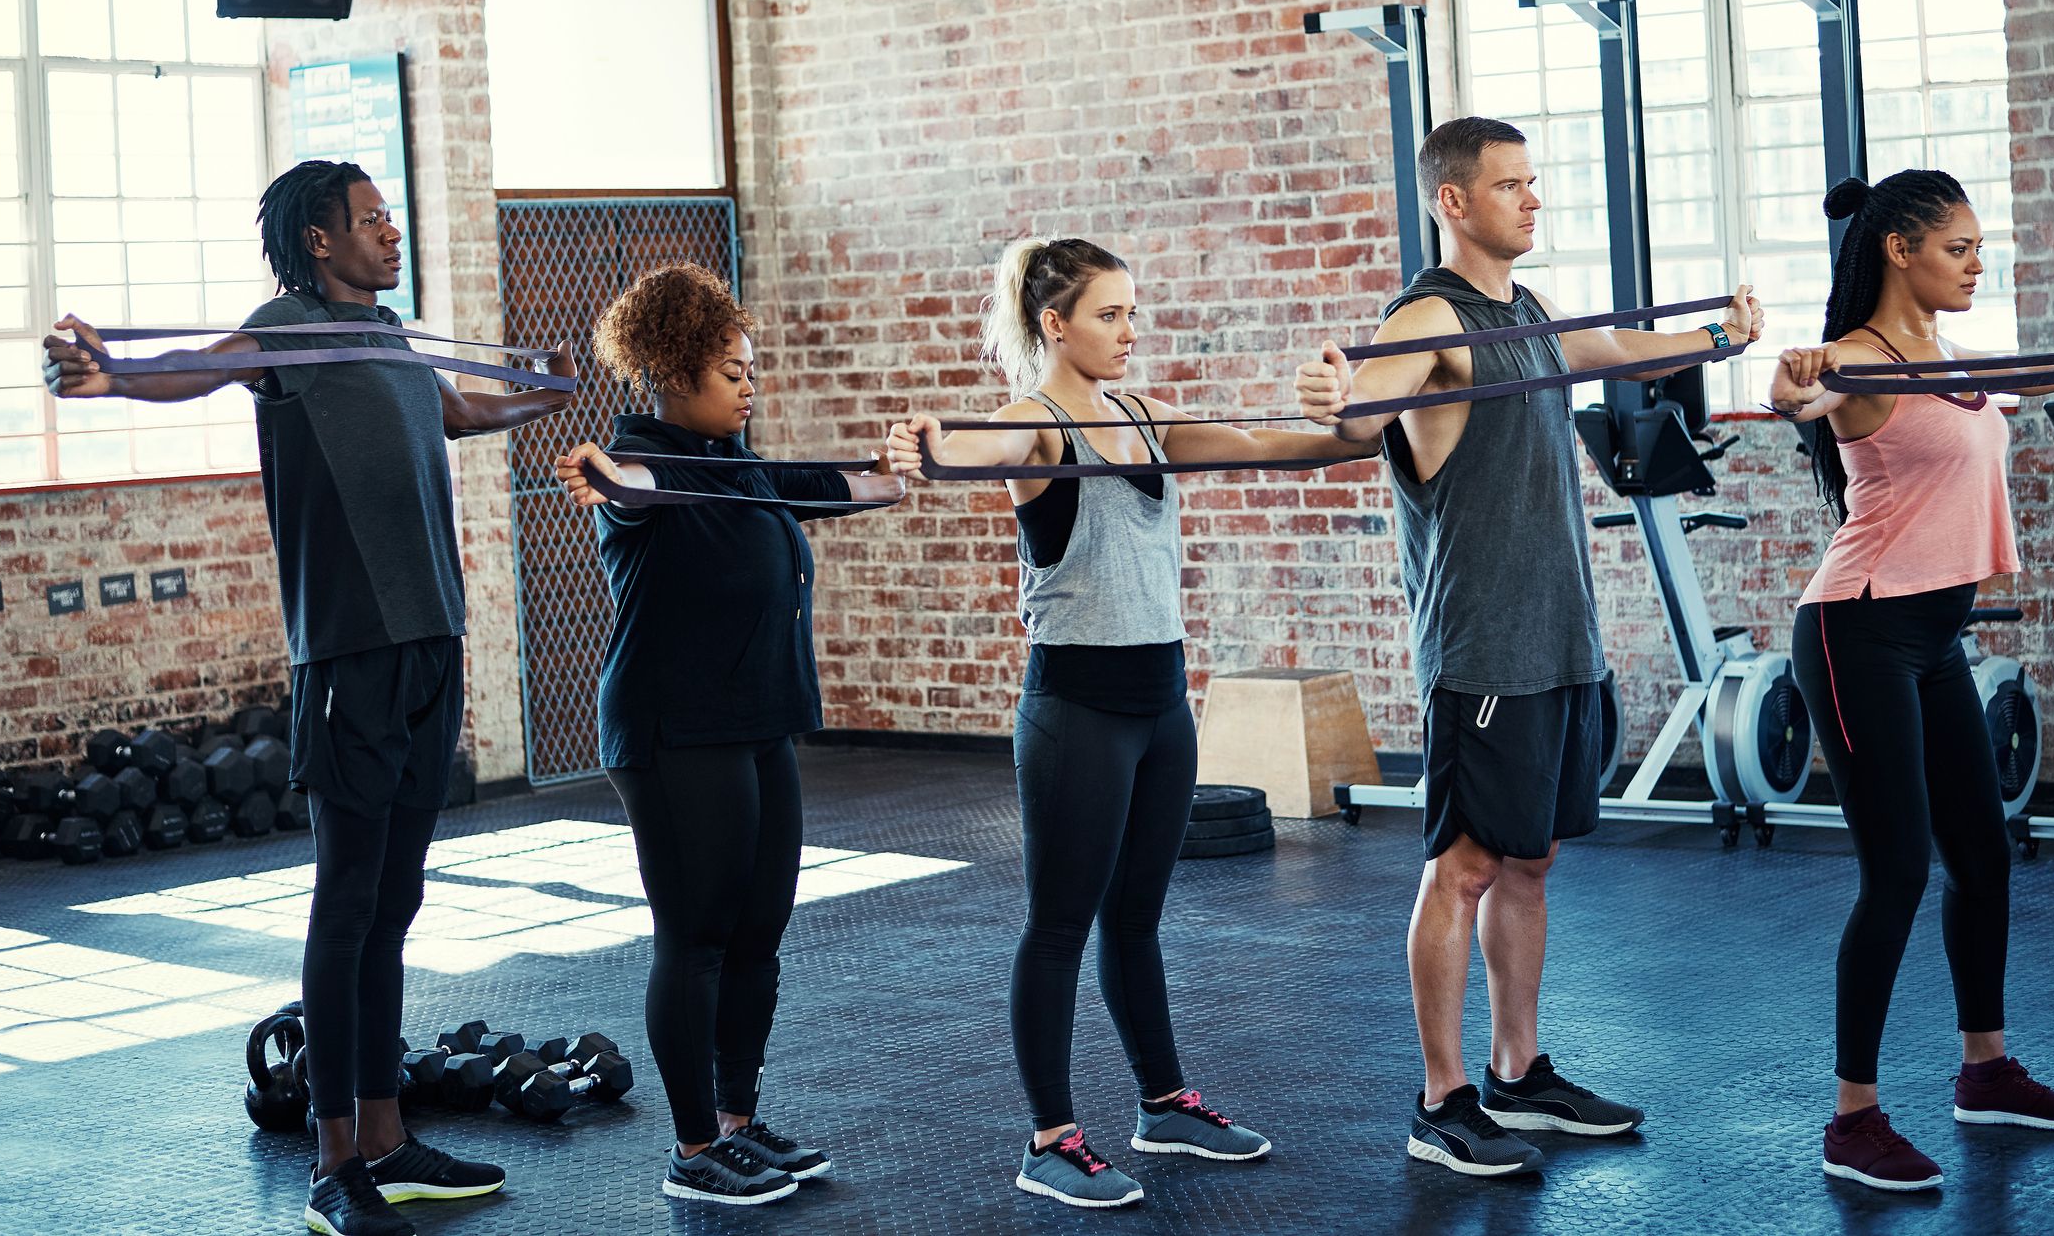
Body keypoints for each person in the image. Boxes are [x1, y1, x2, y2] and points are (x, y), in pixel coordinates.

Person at [43, 159, 573, 1236]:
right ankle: (336, 1159)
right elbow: (197, 363)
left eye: (389, 218)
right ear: (320, 239)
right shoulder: (285, 330)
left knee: (397, 904)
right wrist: (110, 377)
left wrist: (540, 396)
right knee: (346, 907)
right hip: (348, 654)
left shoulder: (386, 338)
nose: (390, 233)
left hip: (432, 640)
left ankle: (388, 1135)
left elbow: (457, 410)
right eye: (371, 220)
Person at [1292, 116, 1762, 1177]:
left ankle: (1517, 1072)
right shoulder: (1427, 315)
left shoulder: (1528, 312)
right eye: (1509, 185)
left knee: (1529, 861)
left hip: (1557, 640)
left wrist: (1715, 340)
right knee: (1460, 867)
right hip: (1482, 651)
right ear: (1452, 200)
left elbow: (1609, 347)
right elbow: (1363, 415)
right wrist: (1337, 397)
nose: (1531, 199)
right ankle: (1440, 1100)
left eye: (1532, 183)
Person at [882, 237, 1375, 1209]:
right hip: (1077, 712)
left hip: (1160, 707)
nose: (1127, 331)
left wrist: (1346, 414)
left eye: (1131, 311)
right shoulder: (1036, 422)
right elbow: (977, 447)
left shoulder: (1142, 415)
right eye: (1108, 313)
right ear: (1052, 323)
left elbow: (1281, 445)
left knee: (1137, 921)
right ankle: (1051, 1139)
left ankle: (1161, 1102)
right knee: (1060, 924)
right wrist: (931, 442)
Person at [1769, 169, 2054, 1192]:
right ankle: (1852, 1120)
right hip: (1856, 634)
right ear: (1898, 249)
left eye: (1979, 249)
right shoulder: (1860, 360)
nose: (1976, 265)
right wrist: (1792, 375)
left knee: (1982, 858)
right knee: (1893, 872)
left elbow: (2016, 381)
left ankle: (1984, 1069)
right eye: (1957, 249)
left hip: (1931, 641)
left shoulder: (1945, 359)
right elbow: (1801, 387)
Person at [552, 263, 904, 1207]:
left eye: (752, 367)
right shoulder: (648, 461)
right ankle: (693, 1145)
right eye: (731, 370)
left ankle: (740, 1122)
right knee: (697, 936)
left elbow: (857, 488)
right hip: (675, 733)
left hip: (757, 724)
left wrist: (903, 461)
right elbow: (627, 484)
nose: (750, 384)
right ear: (674, 372)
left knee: (758, 934)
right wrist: (599, 472)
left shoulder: (742, 463)